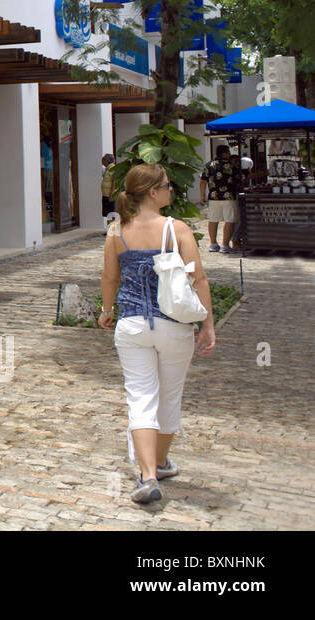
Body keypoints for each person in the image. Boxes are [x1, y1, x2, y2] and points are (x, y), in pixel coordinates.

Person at [99, 163, 215, 504]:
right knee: (168, 396)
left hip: (132, 325)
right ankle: (161, 462)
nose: (171, 190)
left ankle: (147, 475)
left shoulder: (116, 229)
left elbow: (109, 278)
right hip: (173, 326)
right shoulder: (176, 229)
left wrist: (107, 311)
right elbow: (199, 279)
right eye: (166, 185)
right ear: (152, 192)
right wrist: (207, 323)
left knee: (140, 397)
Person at [198, 144, 239, 253]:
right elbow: (239, 178)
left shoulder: (208, 165)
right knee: (230, 220)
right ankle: (225, 245)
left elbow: (202, 181)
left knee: (213, 220)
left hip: (213, 196)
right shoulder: (231, 165)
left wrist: (202, 195)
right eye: (228, 152)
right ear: (224, 153)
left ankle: (213, 244)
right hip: (229, 196)